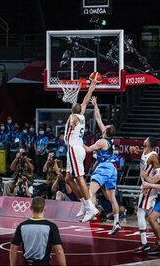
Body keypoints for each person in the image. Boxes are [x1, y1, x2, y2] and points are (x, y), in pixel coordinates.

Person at [83, 96, 120, 232]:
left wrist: (76, 141)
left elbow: (88, 149)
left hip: (104, 167)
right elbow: (98, 118)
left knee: (90, 191)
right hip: (112, 169)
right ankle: (116, 223)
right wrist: (95, 104)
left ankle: (91, 211)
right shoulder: (109, 139)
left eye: (105, 127)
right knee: (111, 198)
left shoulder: (102, 142)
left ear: (106, 131)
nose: (103, 126)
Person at [64, 80, 98, 221]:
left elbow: (72, 120)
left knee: (79, 178)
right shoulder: (82, 115)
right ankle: (84, 204)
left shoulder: (73, 117)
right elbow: (85, 100)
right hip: (77, 149)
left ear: (72, 110)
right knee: (68, 179)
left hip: (74, 149)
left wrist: (71, 123)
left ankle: (90, 207)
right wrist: (92, 86)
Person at [129, 136, 160, 253]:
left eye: (146, 139)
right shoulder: (146, 151)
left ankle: (144, 243)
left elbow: (159, 172)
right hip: (146, 185)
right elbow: (144, 155)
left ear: (149, 143)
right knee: (150, 212)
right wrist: (136, 150)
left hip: (148, 187)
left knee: (140, 213)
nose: (144, 139)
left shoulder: (153, 157)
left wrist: (153, 185)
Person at [10, 197, 66, 266]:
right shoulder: (51, 226)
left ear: (31, 208)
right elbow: (59, 251)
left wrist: (13, 264)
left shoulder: (22, 226)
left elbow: (13, 249)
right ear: (45, 208)